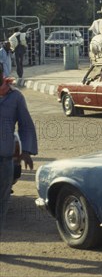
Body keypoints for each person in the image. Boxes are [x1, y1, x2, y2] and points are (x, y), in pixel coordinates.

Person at [0, 63, 38, 233]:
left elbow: (26, 126)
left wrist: (26, 151)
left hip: (5, 161)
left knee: (2, 203)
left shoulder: (15, 97)